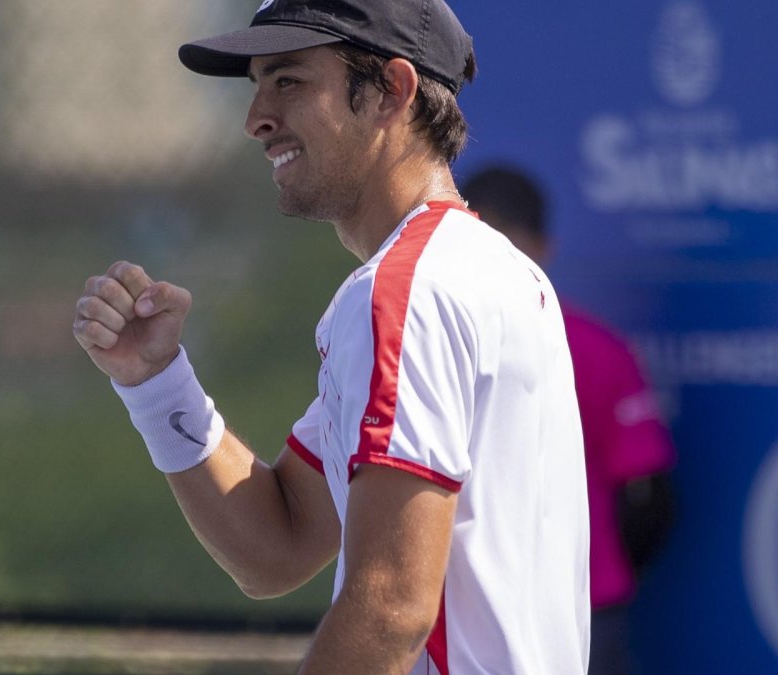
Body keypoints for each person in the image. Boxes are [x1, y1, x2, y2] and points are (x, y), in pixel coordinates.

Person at [73, 2, 590, 672]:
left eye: (289, 80)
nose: (256, 117)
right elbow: (277, 545)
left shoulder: (407, 291)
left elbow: (392, 609)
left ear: (393, 92)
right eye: (256, 83)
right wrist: (155, 379)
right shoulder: (492, 272)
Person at [460, 166, 677, 675]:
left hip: (477, 608)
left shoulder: (427, 344)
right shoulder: (600, 347)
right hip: (576, 606)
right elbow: (651, 500)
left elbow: (651, 500)